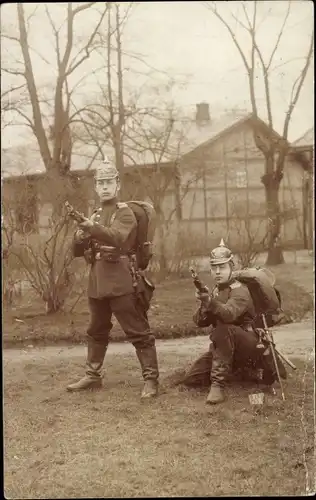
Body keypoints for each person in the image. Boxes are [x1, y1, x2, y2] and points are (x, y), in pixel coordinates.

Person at [66, 158, 159, 399]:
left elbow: (116, 237)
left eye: (109, 182)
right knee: (96, 329)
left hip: (121, 280)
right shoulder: (95, 214)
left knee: (137, 330)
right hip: (97, 281)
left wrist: (90, 227)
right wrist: (79, 235)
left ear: (117, 185)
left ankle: (151, 379)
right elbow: (77, 251)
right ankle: (92, 375)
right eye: (101, 183)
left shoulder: (125, 212)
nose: (105, 187)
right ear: (96, 187)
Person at [181, 239, 286, 404]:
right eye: (214, 267)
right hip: (226, 348)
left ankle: (218, 387)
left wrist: (210, 301)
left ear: (232, 267)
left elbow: (229, 314)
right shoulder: (217, 290)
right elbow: (199, 322)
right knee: (192, 378)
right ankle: (238, 371)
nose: (217, 272)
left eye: (222, 267)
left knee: (224, 329)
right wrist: (204, 302)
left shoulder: (241, 291)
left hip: (250, 346)